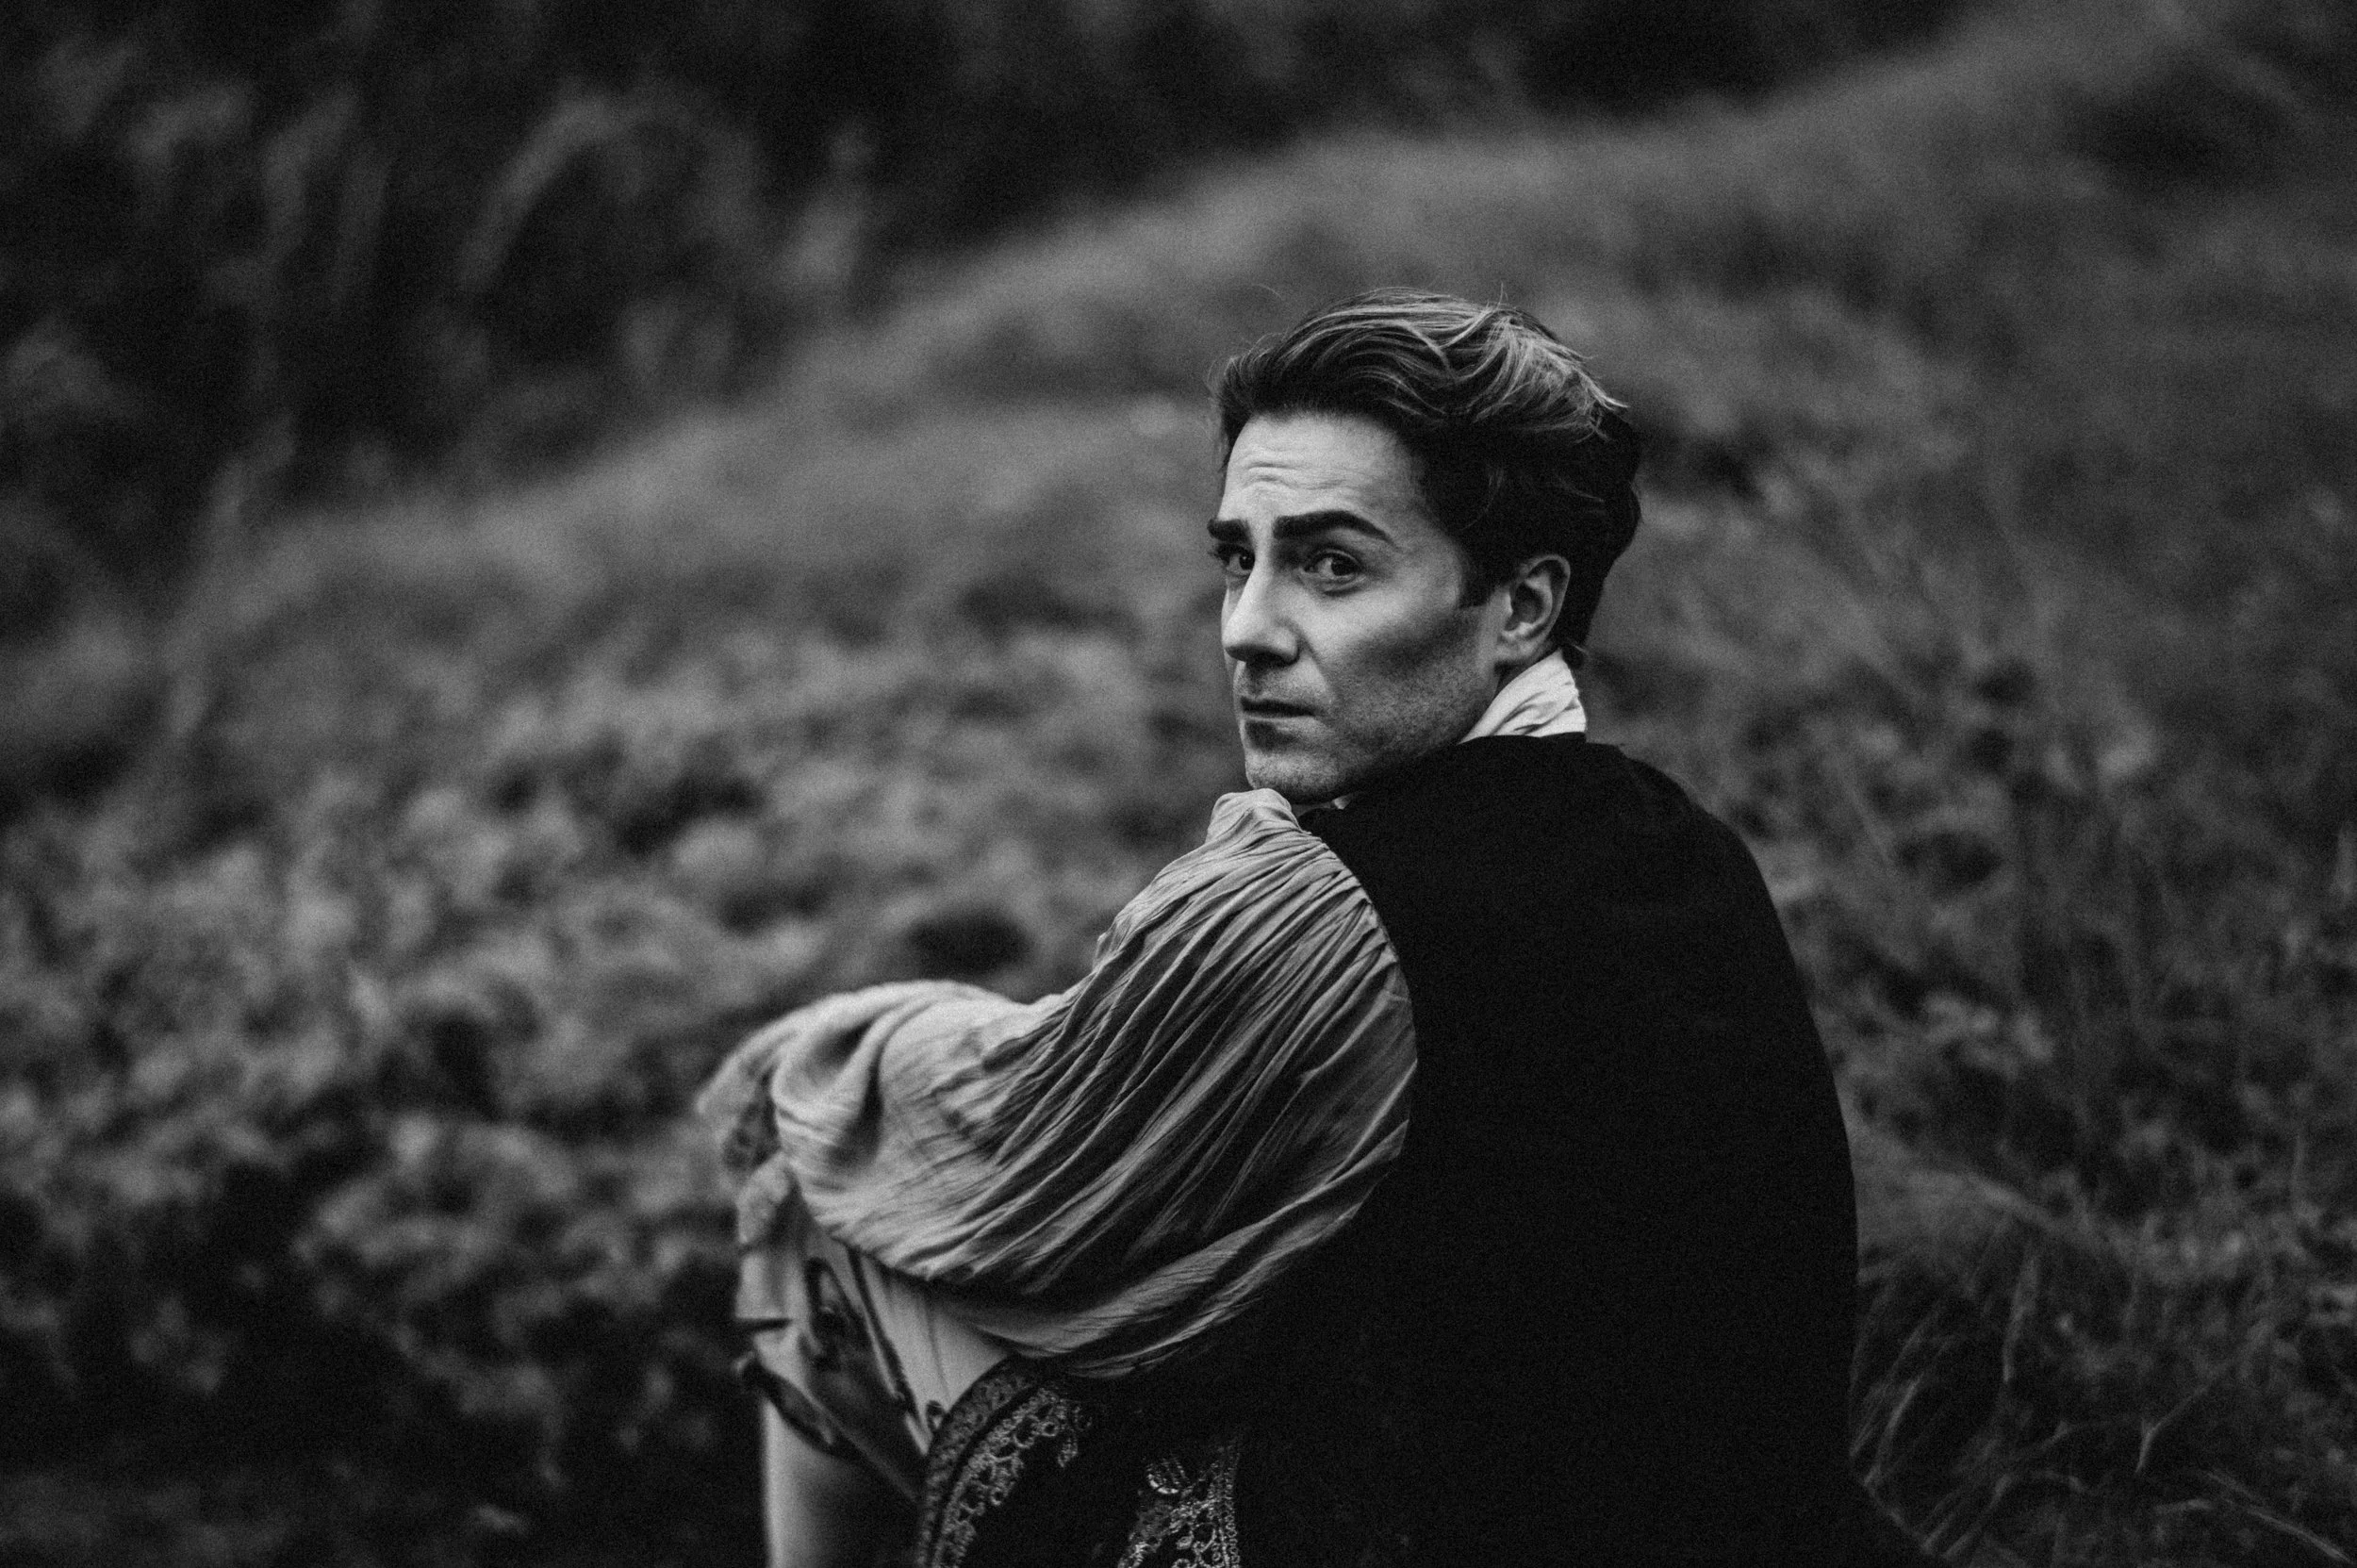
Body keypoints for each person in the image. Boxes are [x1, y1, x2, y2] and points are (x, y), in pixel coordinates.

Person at [701, 289, 1927, 1566]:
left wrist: (823, 1055)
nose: (1247, 629)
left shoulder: (1328, 915)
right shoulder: (1681, 844)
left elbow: (1008, 1147)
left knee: (817, 1201)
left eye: (1332, 564)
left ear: (1520, 607)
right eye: (1240, 558)